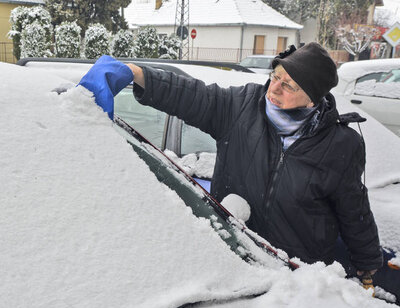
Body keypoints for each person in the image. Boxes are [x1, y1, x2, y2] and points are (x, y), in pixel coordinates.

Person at [82, 43, 383, 275]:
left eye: (289, 85)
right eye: (275, 76)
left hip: (298, 274)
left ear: (314, 98)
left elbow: (352, 207)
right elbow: (192, 95)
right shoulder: (242, 107)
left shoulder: (341, 143)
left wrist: (368, 265)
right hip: (235, 261)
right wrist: (137, 73)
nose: (274, 89)